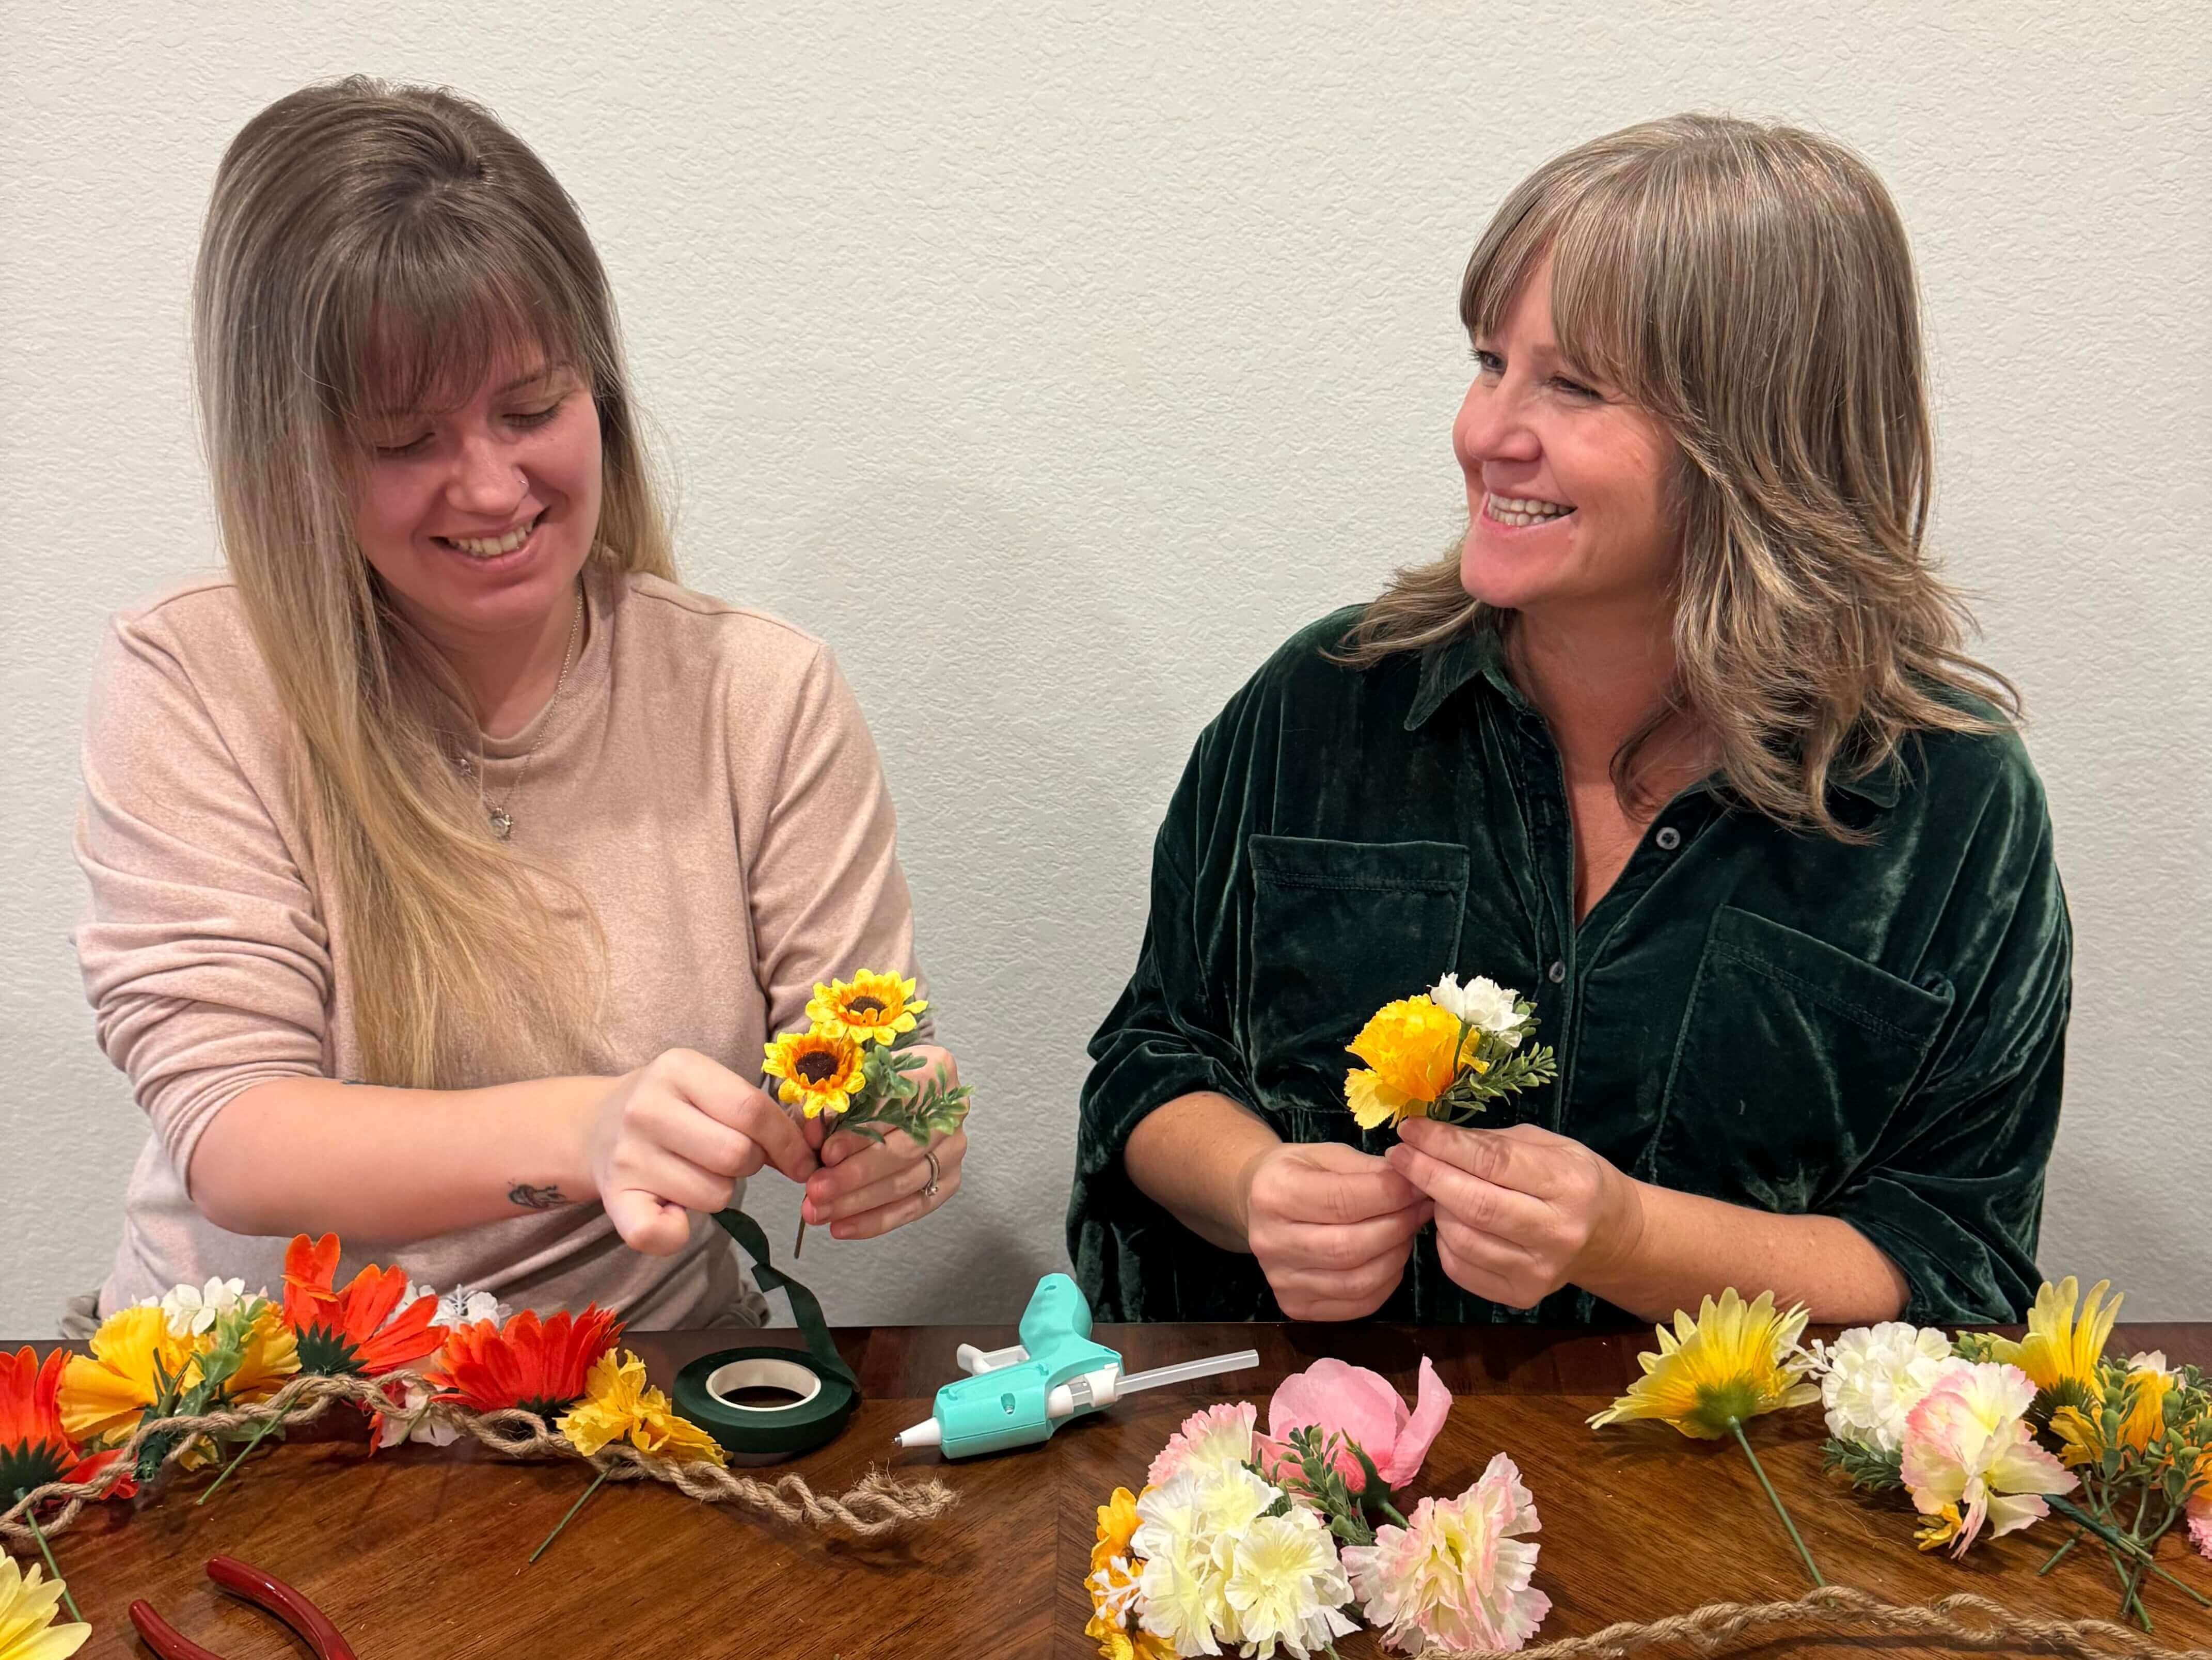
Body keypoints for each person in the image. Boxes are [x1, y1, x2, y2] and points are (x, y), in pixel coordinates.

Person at [1069, 114, 2067, 1329]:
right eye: (1492, 362)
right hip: (1323, 1481)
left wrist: (1631, 1237)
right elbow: (1152, 1062)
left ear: (1762, 440)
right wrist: (1255, 1185)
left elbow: (1954, 1248)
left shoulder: (1945, 802)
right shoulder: (1323, 706)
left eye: (1575, 387)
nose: (1488, 433)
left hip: (1731, 1498)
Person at [73, 77, 965, 1331]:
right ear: (295, 454)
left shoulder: (758, 692)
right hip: (270, 1402)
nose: (490, 487)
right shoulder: (197, 678)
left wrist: (901, 1125)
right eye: (402, 439)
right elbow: (236, 1131)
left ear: (597, 391)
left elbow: (867, 1028)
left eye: (532, 408)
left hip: (643, 1385)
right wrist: (588, 1126)